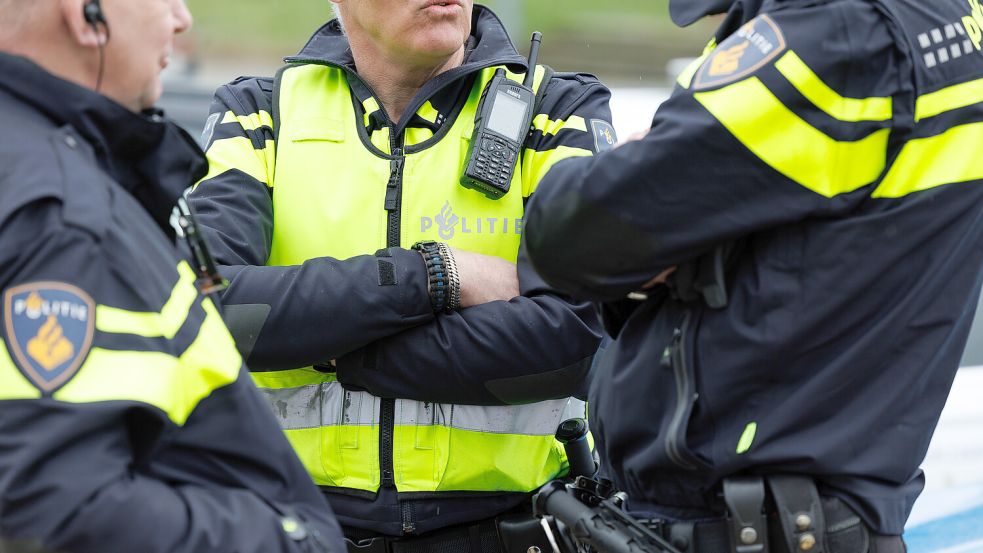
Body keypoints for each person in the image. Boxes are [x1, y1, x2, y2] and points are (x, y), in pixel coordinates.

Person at [523, 0, 983, 550]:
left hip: (748, 522)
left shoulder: (838, 33)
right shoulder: (949, 23)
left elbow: (572, 236)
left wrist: (647, 225)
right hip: (821, 513)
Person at [188, 0, 613, 550]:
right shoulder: (256, 114)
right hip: (292, 527)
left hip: (512, 529)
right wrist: (434, 274)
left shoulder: (559, 109)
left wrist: (339, 348)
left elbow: (578, 334)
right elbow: (207, 310)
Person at [0, 1, 346, 551]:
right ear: (82, 13)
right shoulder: (69, 221)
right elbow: (56, 512)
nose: (181, 20)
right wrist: (286, 540)